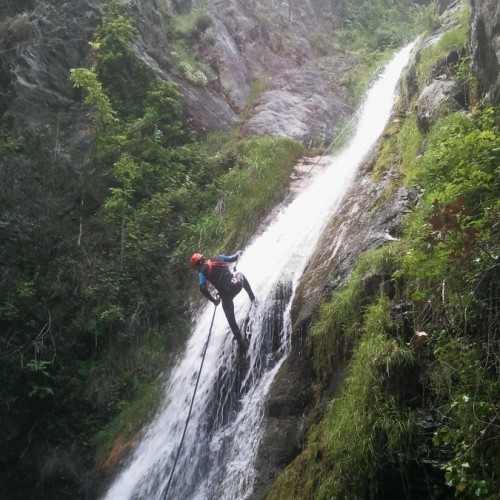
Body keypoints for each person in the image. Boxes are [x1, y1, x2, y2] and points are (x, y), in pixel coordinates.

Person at [189, 251, 255, 351]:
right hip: (235, 284)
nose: (197, 270)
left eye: (196, 268)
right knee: (241, 275)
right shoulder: (218, 257)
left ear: (197, 265)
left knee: (231, 320)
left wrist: (213, 300)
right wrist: (238, 253)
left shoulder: (202, 272)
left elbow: (202, 288)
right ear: (203, 258)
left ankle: (242, 345)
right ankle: (253, 299)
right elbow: (233, 258)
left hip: (225, 294)